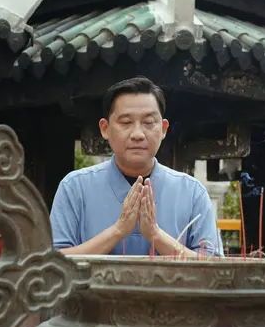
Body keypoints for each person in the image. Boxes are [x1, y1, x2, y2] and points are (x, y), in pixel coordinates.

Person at [50, 76, 223, 257]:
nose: (138, 134)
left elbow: (215, 266)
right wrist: (118, 230)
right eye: (126, 123)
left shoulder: (192, 192)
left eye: (148, 123)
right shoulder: (75, 188)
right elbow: (52, 263)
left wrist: (155, 234)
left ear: (163, 129)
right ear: (105, 128)